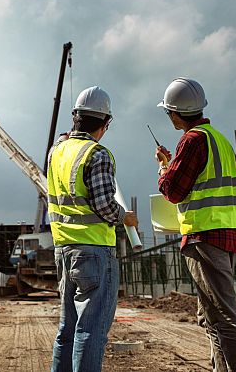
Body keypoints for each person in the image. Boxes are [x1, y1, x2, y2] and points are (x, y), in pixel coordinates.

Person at [154, 77, 236, 372]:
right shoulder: (219, 140)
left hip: (206, 235)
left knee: (224, 314)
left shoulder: (192, 140)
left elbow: (172, 190)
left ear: (174, 113)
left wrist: (164, 166)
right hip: (229, 233)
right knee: (210, 314)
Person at [48, 86, 138, 372]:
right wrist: (126, 218)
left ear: (75, 117)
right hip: (94, 251)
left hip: (63, 249)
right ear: (105, 123)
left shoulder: (56, 152)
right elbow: (105, 206)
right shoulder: (97, 154)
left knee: (68, 328)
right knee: (91, 329)